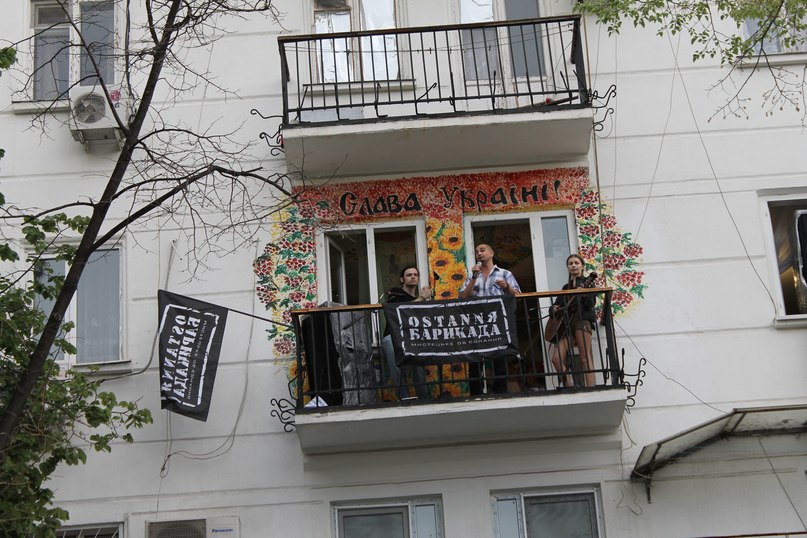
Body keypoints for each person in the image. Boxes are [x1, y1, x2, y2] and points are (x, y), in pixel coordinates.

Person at [459, 243, 521, 394]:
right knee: (475, 360)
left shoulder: (504, 273)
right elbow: (463, 297)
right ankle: (475, 394)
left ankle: (501, 393)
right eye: (477, 252)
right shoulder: (472, 275)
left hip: (498, 323)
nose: (479, 253)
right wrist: (474, 278)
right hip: (477, 324)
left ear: (491, 253)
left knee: (500, 358)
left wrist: (507, 287)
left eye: (482, 250)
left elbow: (519, 296)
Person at [382, 265, 432, 400]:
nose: (413, 277)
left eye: (415, 275)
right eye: (409, 275)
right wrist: (422, 298)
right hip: (393, 336)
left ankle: (424, 398)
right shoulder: (396, 293)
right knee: (396, 367)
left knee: (418, 365)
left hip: (412, 336)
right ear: (402, 279)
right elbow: (403, 310)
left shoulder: (418, 299)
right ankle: (403, 398)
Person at [549, 254, 596, 388]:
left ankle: (591, 388)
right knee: (556, 359)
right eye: (570, 263)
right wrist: (554, 308)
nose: (573, 265)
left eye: (576, 263)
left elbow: (590, 304)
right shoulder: (566, 287)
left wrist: (584, 294)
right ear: (568, 267)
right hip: (567, 325)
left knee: (584, 356)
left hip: (582, 320)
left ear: (582, 266)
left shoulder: (588, 283)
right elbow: (555, 307)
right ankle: (570, 385)